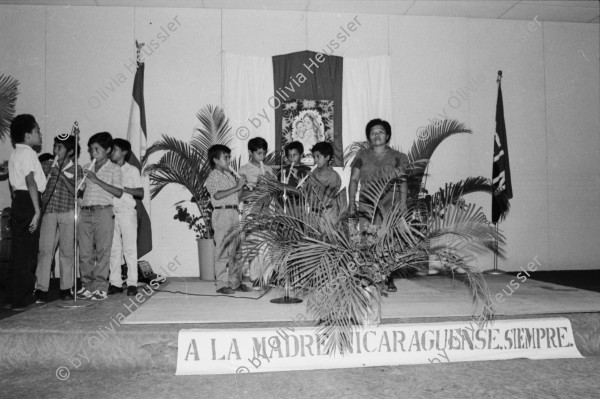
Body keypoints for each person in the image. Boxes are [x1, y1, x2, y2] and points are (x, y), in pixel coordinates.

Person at [348, 119, 408, 292]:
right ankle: (368, 276)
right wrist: (352, 203)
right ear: (369, 137)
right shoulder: (361, 155)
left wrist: (403, 204)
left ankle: (389, 277)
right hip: (368, 204)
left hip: (390, 204)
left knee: (388, 239)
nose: (377, 135)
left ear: (387, 135)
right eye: (373, 132)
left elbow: (403, 181)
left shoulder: (398, 157)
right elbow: (353, 180)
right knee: (368, 239)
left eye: (380, 132)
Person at [34, 135, 82, 302]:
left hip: (68, 212)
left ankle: (66, 288)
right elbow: (37, 185)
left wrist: (60, 175)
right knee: (45, 250)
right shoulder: (46, 165)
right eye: (54, 147)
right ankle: (41, 288)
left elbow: (76, 191)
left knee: (67, 252)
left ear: (70, 151)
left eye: (59, 148)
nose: (55, 150)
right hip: (49, 212)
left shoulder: (77, 169)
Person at [6, 114, 47, 310]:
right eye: (37, 131)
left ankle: (13, 297)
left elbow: (14, 186)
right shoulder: (29, 153)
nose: (40, 134)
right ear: (28, 135)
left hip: (19, 202)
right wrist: (37, 210)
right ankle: (23, 299)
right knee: (28, 253)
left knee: (18, 252)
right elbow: (31, 181)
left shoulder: (14, 154)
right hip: (29, 202)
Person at [77, 132, 123, 301]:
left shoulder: (115, 168)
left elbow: (118, 192)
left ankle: (101, 287)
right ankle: (86, 286)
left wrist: (96, 180)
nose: (93, 152)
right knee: (85, 252)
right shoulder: (87, 167)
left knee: (103, 251)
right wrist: (80, 186)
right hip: (85, 211)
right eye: (91, 149)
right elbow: (79, 190)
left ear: (108, 149)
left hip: (103, 211)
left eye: (97, 149)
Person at [205, 144, 250, 294]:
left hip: (233, 212)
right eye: (226, 157)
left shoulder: (230, 175)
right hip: (221, 214)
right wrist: (237, 187)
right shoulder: (212, 176)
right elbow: (217, 195)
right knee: (222, 250)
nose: (229, 160)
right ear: (216, 160)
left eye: (229, 157)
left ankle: (235, 283)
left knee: (236, 250)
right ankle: (222, 284)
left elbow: (236, 197)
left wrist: (242, 187)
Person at [108, 138, 142, 297]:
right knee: (114, 249)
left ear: (124, 152)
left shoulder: (133, 170)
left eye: (114, 149)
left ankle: (132, 283)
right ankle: (115, 283)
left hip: (127, 212)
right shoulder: (108, 169)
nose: (111, 152)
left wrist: (123, 188)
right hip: (111, 212)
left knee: (129, 249)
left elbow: (140, 193)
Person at [303, 141, 341, 222]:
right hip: (313, 216)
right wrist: (301, 182)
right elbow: (306, 195)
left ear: (327, 157)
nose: (315, 160)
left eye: (318, 157)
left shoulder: (334, 176)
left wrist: (315, 181)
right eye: (314, 157)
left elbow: (328, 197)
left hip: (328, 216)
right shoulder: (313, 173)